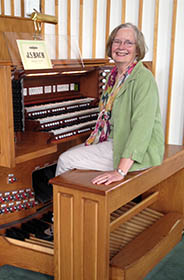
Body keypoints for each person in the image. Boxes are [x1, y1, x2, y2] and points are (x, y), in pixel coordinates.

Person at [55, 22, 165, 185]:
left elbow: (142, 127)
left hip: (136, 148)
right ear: (110, 46)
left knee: (65, 160)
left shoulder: (143, 78)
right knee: (68, 154)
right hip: (114, 140)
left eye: (128, 42)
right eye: (117, 41)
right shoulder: (113, 77)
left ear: (138, 49)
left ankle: (63, 209)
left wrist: (120, 171)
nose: (121, 47)